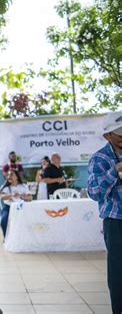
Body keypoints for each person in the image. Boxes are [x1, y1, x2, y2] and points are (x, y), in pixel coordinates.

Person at [87, 110, 122, 314]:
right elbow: (94, 192)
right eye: (120, 134)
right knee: (119, 274)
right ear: (108, 135)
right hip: (116, 222)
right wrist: (114, 172)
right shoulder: (100, 158)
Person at [0, 170, 32, 237]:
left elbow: (30, 198)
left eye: (11, 175)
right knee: (3, 220)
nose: (9, 177)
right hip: (9, 208)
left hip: (22, 208)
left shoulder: (23, 186)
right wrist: (11, 195)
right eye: (8, 175)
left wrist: (24, 197)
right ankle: (6, 237)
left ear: (17, 177)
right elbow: (2, 197)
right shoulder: (5, 187)